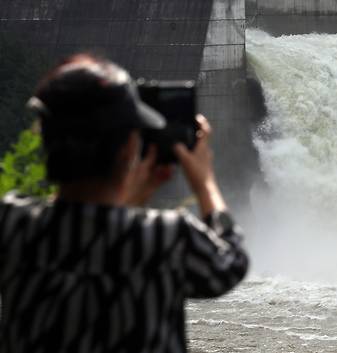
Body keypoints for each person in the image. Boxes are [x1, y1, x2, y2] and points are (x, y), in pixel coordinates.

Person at [0, 54, 249, 353]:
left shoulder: (13, 224)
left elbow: (86, 234)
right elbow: (228, 264)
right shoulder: (167, 236)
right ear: (130, 147)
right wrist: (205, 182)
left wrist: (131, 198)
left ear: (45, 140)